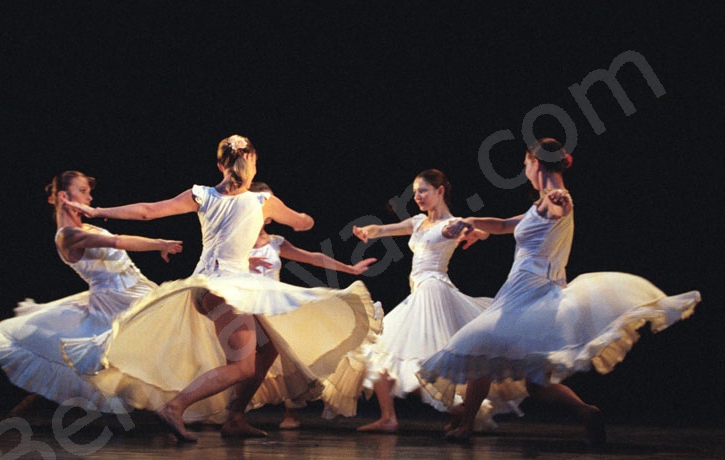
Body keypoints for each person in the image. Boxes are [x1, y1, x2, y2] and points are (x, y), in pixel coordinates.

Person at [63, 135, 380, 441]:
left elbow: (147, 211)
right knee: (242, 367)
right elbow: (301, 223)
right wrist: (304, 218)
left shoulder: (202, 194)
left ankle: (235, 418)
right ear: (252, 160)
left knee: (267, 349)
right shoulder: (261, 201)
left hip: (205, 288)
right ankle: (175, 407)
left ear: (220, 166)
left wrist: (99, 211)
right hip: (228, 289)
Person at [417, 138, 701, 445]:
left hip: (530, 295)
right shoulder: (538, 204)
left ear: (536, 163)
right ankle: (585, 412)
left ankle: (466, 424)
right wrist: (469, 222)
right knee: (534, 380)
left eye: (526, 165)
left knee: (476, 346)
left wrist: (557, 202)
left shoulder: (556, 199)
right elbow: (502, 225)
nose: (525, 170)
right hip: (522, 294)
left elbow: (558, 208)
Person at [0, 170, 183, 416]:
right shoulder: (68, 235)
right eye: (83, 190)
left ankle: (175, 407)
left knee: (166, 339)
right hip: (116, 300)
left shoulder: (85, 226)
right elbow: (117, 241)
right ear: (64, 195)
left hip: (136, 288)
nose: (89, 197)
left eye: (89, 192)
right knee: (142, 349)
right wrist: (159, 243)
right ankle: (171, 410)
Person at [320, 169, 510, 434]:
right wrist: (368, 232)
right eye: (416, 192)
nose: (418, 196)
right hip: (419, 289)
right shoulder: (419, 222)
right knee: (381, 349)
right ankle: (395, 417)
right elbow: (385, 228)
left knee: (418, 353)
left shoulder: (451, 223)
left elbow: (480, 230)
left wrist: (478, 233)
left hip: (433, 290)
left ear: (440, 191)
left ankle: (459, 410)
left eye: (423, 191)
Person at [247, 181, 378, 429]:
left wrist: (348, 268)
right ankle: (228, 411)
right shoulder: (234, 241)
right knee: (241, 359)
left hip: (274, 305)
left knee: (290, 353)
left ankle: (291, 411)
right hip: (243, 304)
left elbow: (312, 258)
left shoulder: (275, 242)